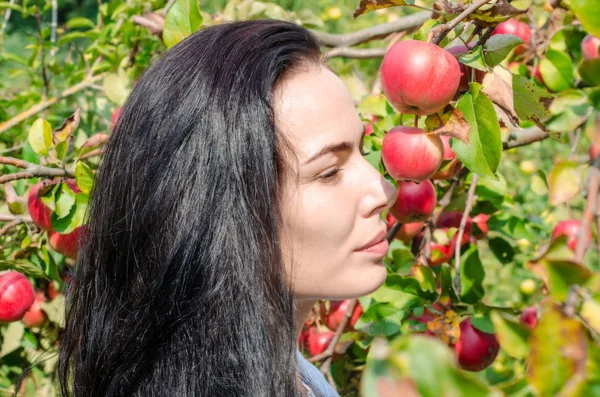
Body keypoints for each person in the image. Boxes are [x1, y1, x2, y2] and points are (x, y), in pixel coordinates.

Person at [57, 19, 396, 397]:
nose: (383, 190)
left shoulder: (290, 374)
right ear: (220, 206)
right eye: (330, 172)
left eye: (363, 152)